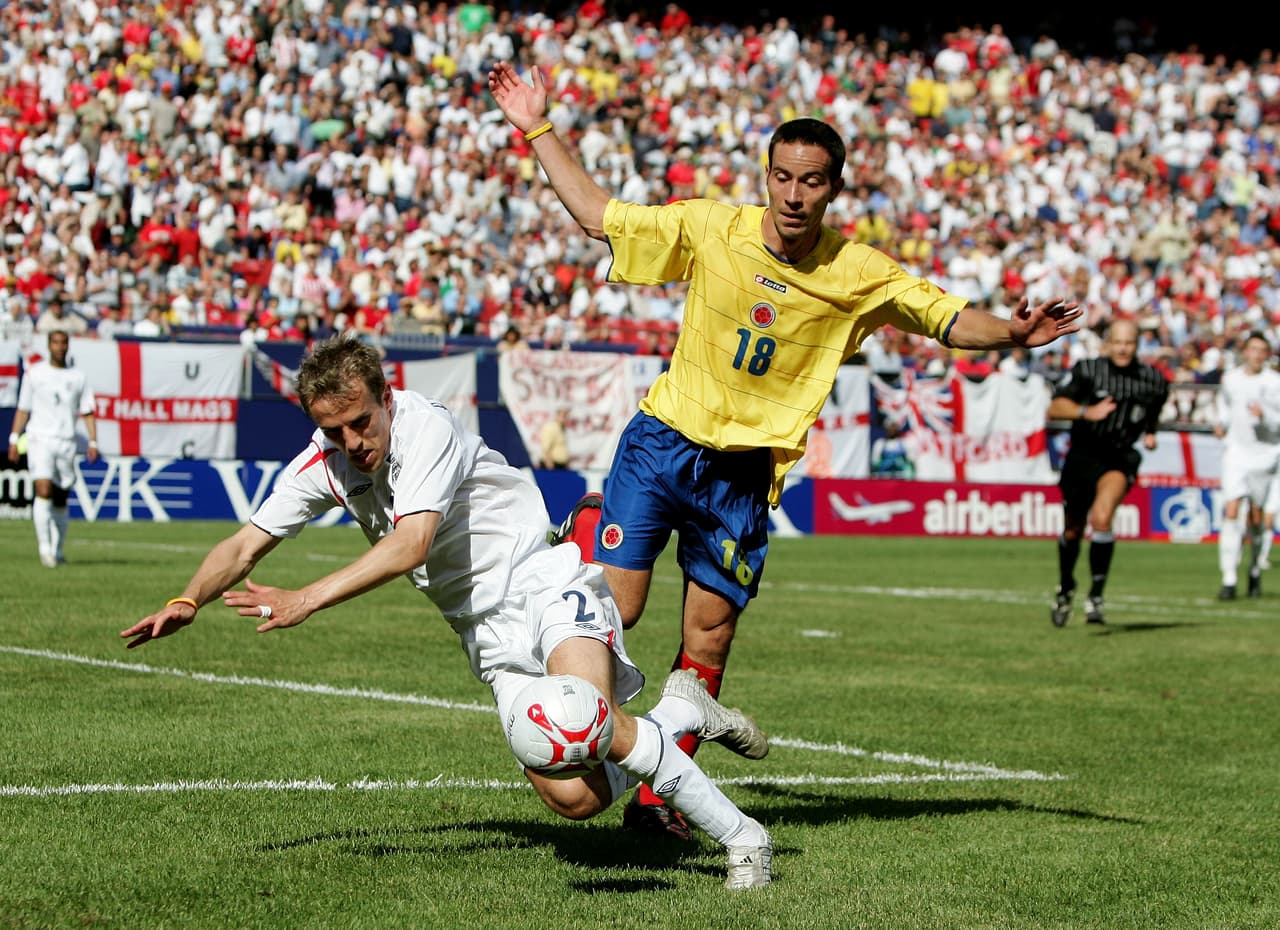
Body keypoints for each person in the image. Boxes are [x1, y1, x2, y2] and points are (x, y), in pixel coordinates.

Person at [489, 60, 1082, 836]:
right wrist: (537, 127)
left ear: (833, 189)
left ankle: (655, 798)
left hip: (742, 477)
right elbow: (601, 215)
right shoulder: (712, 228)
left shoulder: (858, 272)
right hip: (663, 443)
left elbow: (944, 317)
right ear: (765, 176)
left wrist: (1011, 332)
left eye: (811, 181)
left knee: (709, 638)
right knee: (616, 608)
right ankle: (589, 537)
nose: (794, 195)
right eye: (782, 177)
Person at [118, 335, 774, 891]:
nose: (351, 442)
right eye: (332, 430)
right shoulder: (326, 460)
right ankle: (684, 710)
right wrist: (187, 599)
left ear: (384, 396)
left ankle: (745, 840)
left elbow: (411, 544)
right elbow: (243, 544)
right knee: (578, 797)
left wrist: (306, 598)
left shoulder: (424, 425)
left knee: (589, 717)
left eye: (360, 423)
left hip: (541, 579)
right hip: (485, 634)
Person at [1047, 319, 1169, 626]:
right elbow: (1056, 407)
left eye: (1129, 343)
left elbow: (1155, 408)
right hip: (1083, 454)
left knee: (1102, 519)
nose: (1124, 348)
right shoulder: (1088, 370)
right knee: (1073, 529)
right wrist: (1087, 412)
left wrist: (1150, 432)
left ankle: (1096, 596)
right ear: (1108, 344)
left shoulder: (1153, 379)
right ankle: (1065, 587)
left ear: (1138, 345)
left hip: (1119, 456)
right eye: (1118, 342)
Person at [7, 330, 99, 567]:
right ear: (49, 346)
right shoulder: (35, 374)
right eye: (56, 342)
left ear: (68, 346)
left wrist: (93, 441)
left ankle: (57, 550)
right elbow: (23, 408)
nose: (60, 347)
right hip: (40, 439)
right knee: (43, 488)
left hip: (66, 441)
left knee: (60, 497)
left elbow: (87, 410)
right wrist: (14, 438)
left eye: (64, 342)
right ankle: (44, 549)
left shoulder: (78, 376)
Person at [1212, 331, 1280, 599]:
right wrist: (1221, 424)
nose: (1257, 354)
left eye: (1262, 350)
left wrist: (1265, 417)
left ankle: (1253, 569)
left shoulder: (1274, 382)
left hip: (1265, 455)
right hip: (1236, 454)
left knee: (1257, 517)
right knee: (1231, 509)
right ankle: (1228, 579)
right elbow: (1225, 407)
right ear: (1245, 351)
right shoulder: (1231, 380)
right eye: (1253, 349)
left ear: (1266, 354)